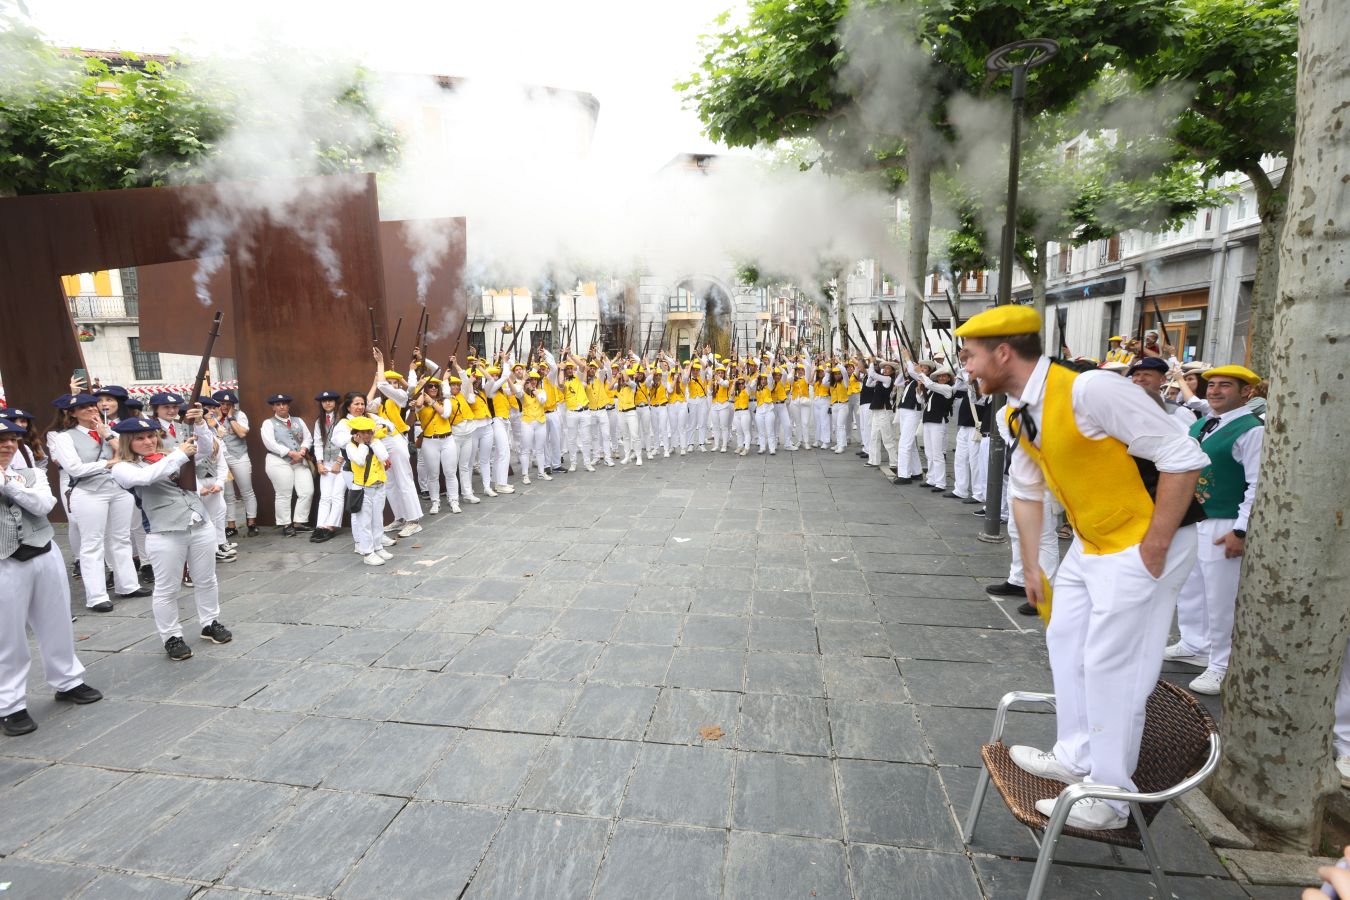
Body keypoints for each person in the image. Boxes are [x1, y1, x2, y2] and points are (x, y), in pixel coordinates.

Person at [958, 304, 1208, 831]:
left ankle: (1112, 798)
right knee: (1065, 638)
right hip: (1092, 544)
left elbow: (1182, 456)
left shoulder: (1091, 389)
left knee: (1112, 665)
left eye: (970, 355)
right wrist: (1032, 567)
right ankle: (1075, 755)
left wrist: (1155, 548)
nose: (965, 366)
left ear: (1003, 352)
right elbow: (1027, 492)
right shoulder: (1015, 412)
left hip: (1144, 539)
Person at [0, 417, 104, 736]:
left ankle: (68, 681)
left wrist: (9, 483)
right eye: (1, 440)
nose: (8, 445)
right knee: (8, 636)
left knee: (56, 621)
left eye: (12, 440)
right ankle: (10, 704)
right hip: (4, 561)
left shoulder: (30, 473)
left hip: (43, 551)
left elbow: (45, 504)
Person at [1164, 365, 1264, 696]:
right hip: (1195, 517)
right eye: (1213, 385)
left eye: (1225, 386)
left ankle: (1222, 663)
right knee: (1190, 586)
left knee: (1221, 597)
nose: (1215, 390)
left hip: (1224, 519)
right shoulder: (1205, 421)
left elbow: (1256, 484)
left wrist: (1241, 530)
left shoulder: (1252, 430)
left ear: (1246, 392)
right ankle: (1194, 642)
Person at [110, 416, 232, 661]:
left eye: (151, 436)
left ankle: (210, 622)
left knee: (207, 579)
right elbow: (147, 478)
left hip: (199, 524)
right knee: (167, 588)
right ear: (127, 442)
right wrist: (180, 454)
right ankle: (171, 636)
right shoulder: (122, 467)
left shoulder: (171, 453)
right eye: (140, 438)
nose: (148, 441)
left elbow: (207, 449)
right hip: (164, 533)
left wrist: (199, 424)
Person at [44, 392, 147, 612]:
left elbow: (128, 453)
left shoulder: (107, 429)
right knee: (92, 543)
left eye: (93, 405)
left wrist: (107, 434)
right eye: (84, 408)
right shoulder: (64, 436)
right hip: (89, 491)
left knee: (121, 538)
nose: (92, 409)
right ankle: (97, 596)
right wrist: (108, 464)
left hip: (117, 489)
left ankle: (128, 585)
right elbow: (74, 468)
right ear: (71, 413)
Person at [370, 353, 426, 537]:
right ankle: (400, 518)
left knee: (404, 480)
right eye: (390, 382)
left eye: (395, 382)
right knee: (390, 483)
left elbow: (383, 386)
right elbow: (368, 403)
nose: (392, 385)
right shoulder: (380, 402)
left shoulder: (400, 396)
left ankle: (413, 520)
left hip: (395, 439)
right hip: (381, 442)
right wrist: (374, 382)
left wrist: (381, 363)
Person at [259, 394, 314, 536]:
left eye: (284, 404)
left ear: (288, 406)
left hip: (299, 460)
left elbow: (308, 438)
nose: (281, 406)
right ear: (273, 407)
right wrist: (290, 453)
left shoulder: (298, 421)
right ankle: (286, 524)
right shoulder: (268, 423)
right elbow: (270, 443)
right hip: (278, 461)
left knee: (307, 491)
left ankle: (299, 522)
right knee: (284, 493)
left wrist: (302, 450)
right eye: (277, 404)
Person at [343, 416, 392, 567]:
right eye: (363, 433)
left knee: (378, 519)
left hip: (379, 486)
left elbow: (384, 457)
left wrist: (373, 443)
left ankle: (378, 547)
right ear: (356, 433)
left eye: (369, 432)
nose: (367, 435)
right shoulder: (350, 447)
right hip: (363, 489)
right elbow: (359, 461)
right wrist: (363, 445)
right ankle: (368, 553)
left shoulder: (375, 442)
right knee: (364, 523)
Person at [193, 397, 237, 563]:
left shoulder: (212, 430)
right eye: (206, 409)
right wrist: (198, 487)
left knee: (219, 511)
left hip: (213, 478)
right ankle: (211, 548)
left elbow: (220, 459)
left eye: (211, 409)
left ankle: (219, 543)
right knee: (202, 517)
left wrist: (219, 482)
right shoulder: (190, 433)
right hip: (197, 481)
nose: (210, 412)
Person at [212, 390, 258, 539]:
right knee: (228, 494)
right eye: (221, 404)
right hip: (220, 459)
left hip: (239, 456)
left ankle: (251, 523)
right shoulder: (211, 418)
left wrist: (230, 417)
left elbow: (242, 433)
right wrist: (217, 419)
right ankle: (231, 525)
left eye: (228, 404)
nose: (225, 406)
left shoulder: (239, 415)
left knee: (247, 491)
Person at [413, 376, 461, 515]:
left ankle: (454, 500)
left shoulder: (445, 401)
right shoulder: (421, 403)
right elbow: (417, 407)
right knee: (433, 474)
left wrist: (432, 401)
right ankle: (435, 502)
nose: (433, 388)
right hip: (429, 441)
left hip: (447, 439)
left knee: (450, 472)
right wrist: (421, 389)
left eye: (435, 386)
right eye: (430, 386)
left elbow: (445, 414)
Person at [311, 390, 345, 543]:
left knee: (337, 495)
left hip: (342, 463)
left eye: (331, 400)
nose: (328, 403)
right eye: (324, 401)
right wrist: (319, 463)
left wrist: (339, 462)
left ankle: (331, 526)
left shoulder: (342, 420)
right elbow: (317, 443)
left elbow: (347, 442)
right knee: (325, 496)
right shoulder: (319, 421)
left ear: (336, 402)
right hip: (326, 462)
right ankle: (320, 525)